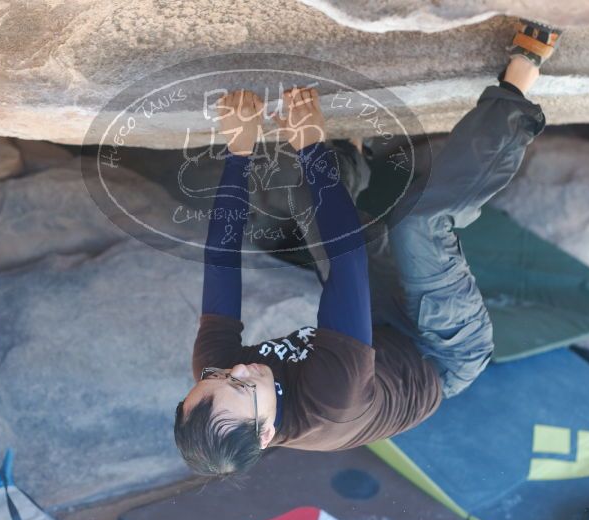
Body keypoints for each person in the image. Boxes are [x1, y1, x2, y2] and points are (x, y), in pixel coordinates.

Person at [174, 19, 562, 477]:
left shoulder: (216, 379)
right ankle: (519, 81)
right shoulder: (331, 402)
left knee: (305, 200)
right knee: (418, 226)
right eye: (240, 385)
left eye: (215, 377)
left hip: (375, 329)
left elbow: (220, 263)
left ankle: (349, 149)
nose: (234, 368)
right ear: (264, 434)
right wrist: (309, 143)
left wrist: (237, 152)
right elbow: (347, 262)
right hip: (439, 352)